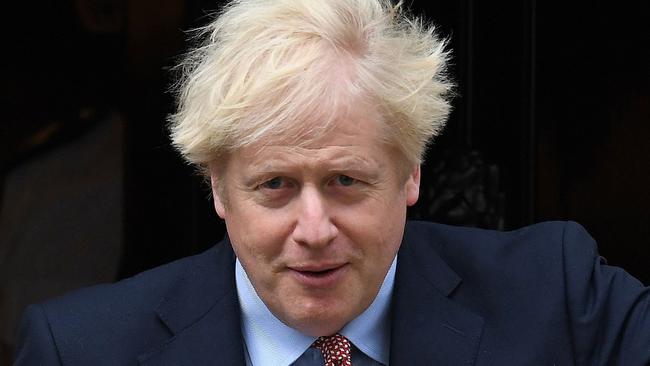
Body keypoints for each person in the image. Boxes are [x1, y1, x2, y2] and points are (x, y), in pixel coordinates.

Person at [14, 0, 650, 365]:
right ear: (217, 189)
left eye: (346, 180)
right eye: (275, 185)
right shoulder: (81, 351)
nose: (313, 230)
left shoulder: (560, 299)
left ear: (409, 173)